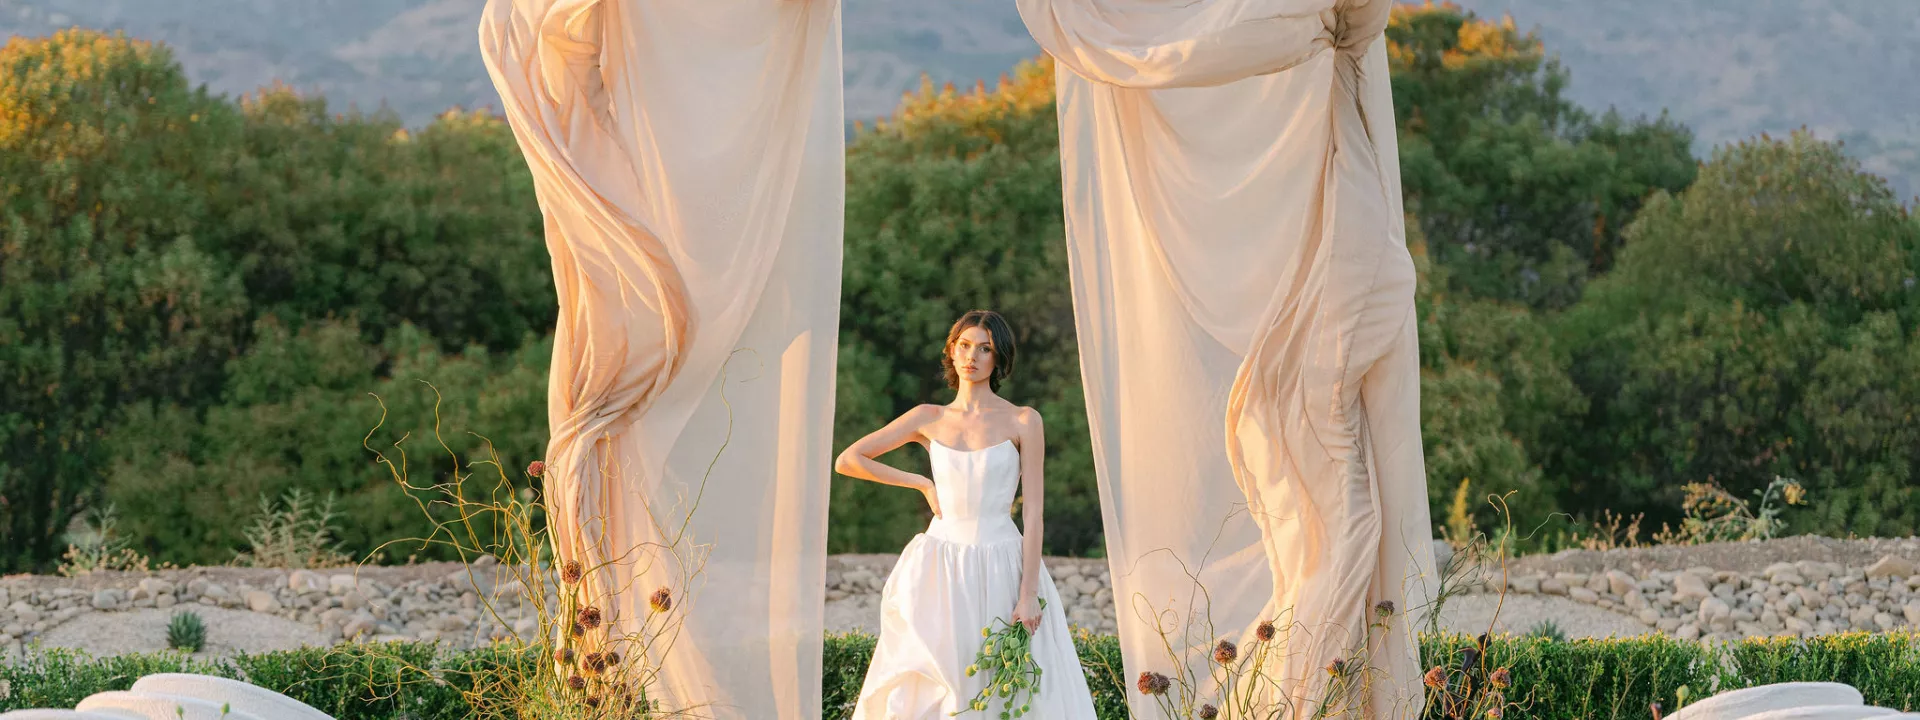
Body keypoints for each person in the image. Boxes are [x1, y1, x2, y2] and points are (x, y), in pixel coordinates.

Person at [835, 310, 1097, 719]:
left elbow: (1035, 514)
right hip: (941, 566)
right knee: (941, 684)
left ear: (999, 359)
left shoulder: (1024, 420)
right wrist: (920, 483)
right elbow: (849, 459)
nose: (972, 356)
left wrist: (1028, 594)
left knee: (1007, 690)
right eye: (964, 345)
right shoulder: (929, 418)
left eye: (985, 348)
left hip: (1003, 565)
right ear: (952, 351)